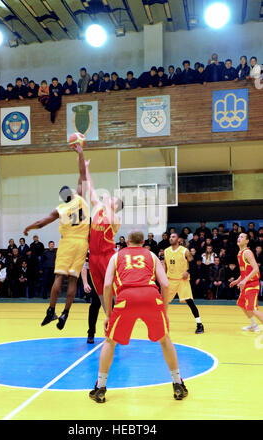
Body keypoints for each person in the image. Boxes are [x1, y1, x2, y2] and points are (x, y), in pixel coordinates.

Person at [89, 230, 188, 403]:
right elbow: (164, 284)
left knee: (110, 342)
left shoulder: (116, 256)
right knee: (165, 339)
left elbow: (106, 285)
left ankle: (101, 388)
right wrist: (163, 309)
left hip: (126, 298)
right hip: (151, 296)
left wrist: (108, 314)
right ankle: (177, 383)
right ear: (143, 242)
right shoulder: (151, 255)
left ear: (127, 241)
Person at [23, 143, 89, 329]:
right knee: (74, 280)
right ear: (73, 193)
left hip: (67, 243)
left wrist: (28, 228)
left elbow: (41, 223)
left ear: (62, 197)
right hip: (82, 243)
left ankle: (51, 311)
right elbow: (83, 174)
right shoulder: (81, 198)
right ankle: (65, 313)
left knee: (59, 278)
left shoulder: (60, 208)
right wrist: (81, 153)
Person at [84, 159, 123, 343]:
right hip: (94, 258)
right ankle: (110, 324)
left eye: (114, 199)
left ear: (117, 205)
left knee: (112, 293)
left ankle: (117, 325)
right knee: (100, 295)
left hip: (108, 258)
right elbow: (91, 189)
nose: (110, 198)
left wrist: (108, 202)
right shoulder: (99, 208)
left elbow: (109, 218)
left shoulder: (115, 218)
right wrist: (86, 168)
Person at [163, 233, 204, 333]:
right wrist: (163, 277)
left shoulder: (184, 251)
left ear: (178, 239)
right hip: (170, 280)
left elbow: (194, 264)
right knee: (163, 303)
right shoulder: (166, 251)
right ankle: (162, 324)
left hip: (182, 280)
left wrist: (188, 271)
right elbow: (165, 265)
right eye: (170, 237)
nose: (171, 238)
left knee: (190, 302)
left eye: (173, 237)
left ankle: (199, 324)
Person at [230, 233, 263, 332]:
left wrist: (244, 280)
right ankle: (253, 324)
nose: (239, 238)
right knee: (242, 304)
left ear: (247, 241)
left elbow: (256, 269)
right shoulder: (240, 253)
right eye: (238, 236)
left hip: (252, 284)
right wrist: (238, 280)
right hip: (246, 283)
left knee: (252, 308)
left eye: (242, 237)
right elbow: (244, 271)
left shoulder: (247, 252)